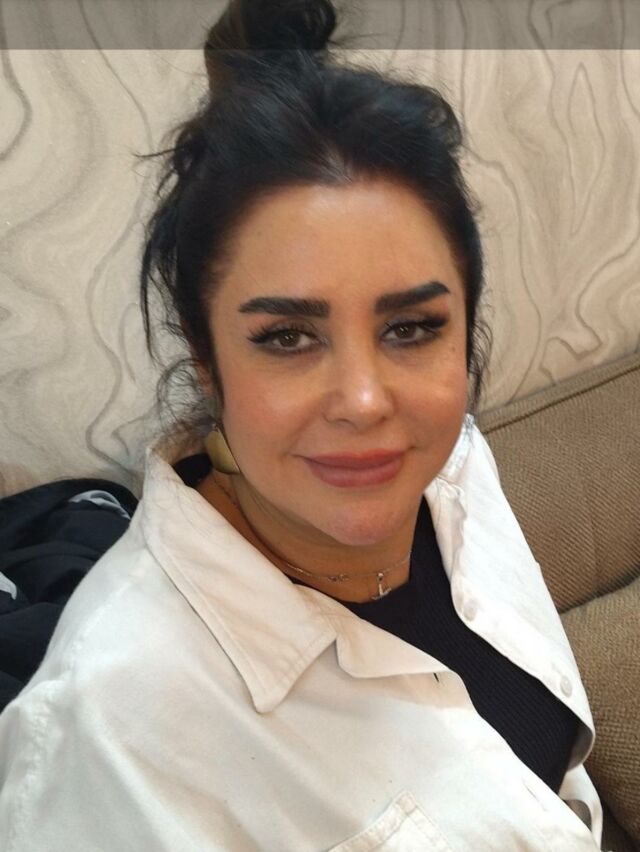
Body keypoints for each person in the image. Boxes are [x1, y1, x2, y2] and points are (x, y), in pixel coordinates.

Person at [0, 1, 606, 849]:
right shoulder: (106, 728)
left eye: (412, 328)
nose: (364, 401)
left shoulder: (456, 466)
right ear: (206, 358)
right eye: (287, 337)